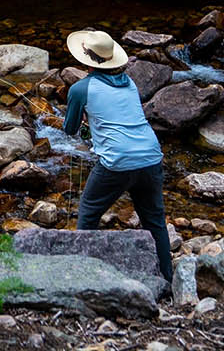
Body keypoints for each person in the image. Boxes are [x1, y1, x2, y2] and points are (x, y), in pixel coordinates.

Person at [62, 27, 172, 285]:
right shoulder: (130, 82)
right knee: (155, 221)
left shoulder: (80, 89)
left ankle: (82, 275)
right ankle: (168, 280)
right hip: (151, 157)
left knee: (89, 211)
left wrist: (85, 121)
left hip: (116, 163)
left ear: (85, 59)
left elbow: (70, 129)